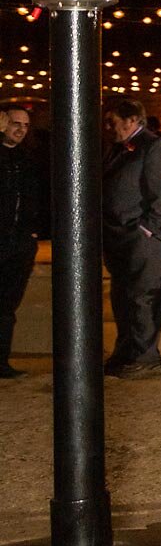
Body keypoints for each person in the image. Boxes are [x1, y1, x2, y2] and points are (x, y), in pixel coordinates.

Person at [102, 95, 161, 377]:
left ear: (132, 120)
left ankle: (145, 354)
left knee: (142, 296)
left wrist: (147, 230)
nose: (109, 127)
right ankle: (126, 351)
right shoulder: (117, 149)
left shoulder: (153, 147)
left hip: (141, 238)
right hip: (118, 235)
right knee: (122, 297)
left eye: (113, 121)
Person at [0, 108, 44, 379]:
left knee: (7, 306)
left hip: (20, 243)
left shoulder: (29, 159)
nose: (20, 129)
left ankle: (1, 361)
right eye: (15, 124)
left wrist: (33, 233)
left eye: (25, 125)